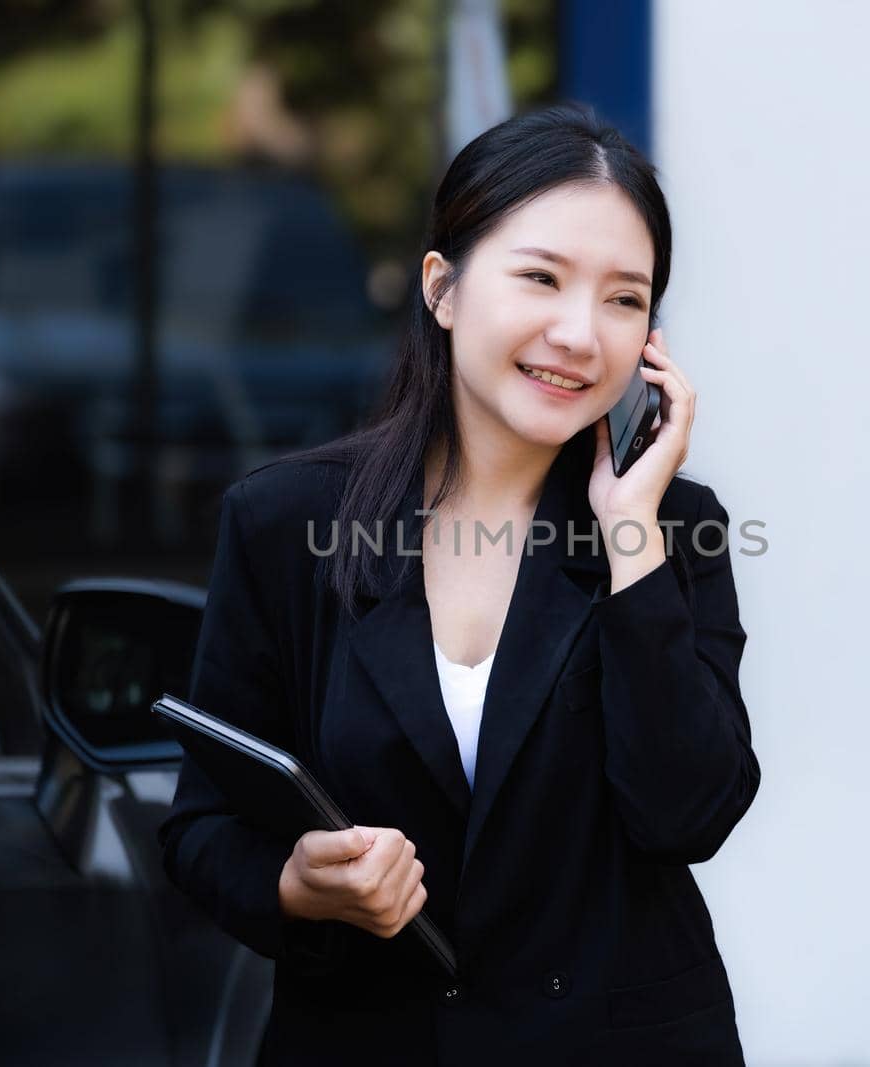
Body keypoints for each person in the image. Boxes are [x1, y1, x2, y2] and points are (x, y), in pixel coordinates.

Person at [157, 101, 760, 1067]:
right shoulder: (284, 523)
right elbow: (199, 826)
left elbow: (688, 812)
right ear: (442, 287)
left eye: (624, 298)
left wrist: (631, 537)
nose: (580, 332)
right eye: (541, 277)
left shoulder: (673, 527)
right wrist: (298, 884)